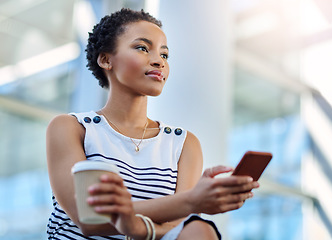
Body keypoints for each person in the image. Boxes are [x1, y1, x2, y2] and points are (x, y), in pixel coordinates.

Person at [46, 8, 259, 240]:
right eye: (142, 48)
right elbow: (89, 219)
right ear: (106, 59)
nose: (158, 61)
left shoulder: (183, 143)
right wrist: (192, 201)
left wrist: (138, 227)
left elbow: (177, 226)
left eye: (164, 55)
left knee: (199, 229)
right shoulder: (72, 127)